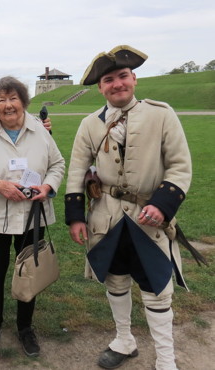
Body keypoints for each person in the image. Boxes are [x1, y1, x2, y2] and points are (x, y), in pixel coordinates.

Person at [65, 45, 192, 370]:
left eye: (122, 76)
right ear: (100, 87)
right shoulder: (90, 124)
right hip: (106, 219)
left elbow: (180, 166)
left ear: (133, 78)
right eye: (109, 80)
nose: (117, 84)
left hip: (149, 220)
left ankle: (166, 359)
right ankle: (124, 340)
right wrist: (76, 217)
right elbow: (77, 170)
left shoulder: (161, 114)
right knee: (116, 281)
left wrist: (163, 206)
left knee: (157, 291)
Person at [0, 76, 65, 358]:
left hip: (32, 215)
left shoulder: (40, 129)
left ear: (23, 101)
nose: (8, 105)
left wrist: (47, 186)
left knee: (30, 272)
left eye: (13, 98)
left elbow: (57, 164)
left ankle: (25, 327)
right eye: (1, 100)